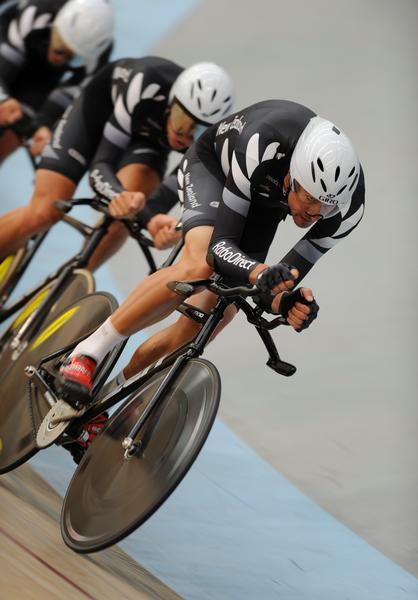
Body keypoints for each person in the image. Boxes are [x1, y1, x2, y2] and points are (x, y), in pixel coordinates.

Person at [58, 99, 365, 457]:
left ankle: (108, 398)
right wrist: (257, 271)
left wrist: (289, 303)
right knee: (199, 267)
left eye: (325, 207)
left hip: (267, 202)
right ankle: (86, 354)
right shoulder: (262, 143)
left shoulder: (347, 210)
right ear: (293, 176)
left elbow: (273, 287)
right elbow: (220, 248)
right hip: (218, 169)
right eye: (310, 199)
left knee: (216, 312)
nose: (315, 213)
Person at [0, 57, 234, 266]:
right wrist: (118, 196)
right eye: (182, 120)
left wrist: (153, 221)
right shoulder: (146, 83)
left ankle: (67, 288)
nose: (185, 135)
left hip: (148, 140)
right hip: (99, 114)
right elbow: (101, 167)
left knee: (124, 217)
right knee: (44, 211)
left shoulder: (210, 143)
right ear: (171, 102)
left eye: (198, 130)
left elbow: (159, 203)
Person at [0, 0, 114, 164]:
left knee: (15, 132)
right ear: (56, 27)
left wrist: (42, 127)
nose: (60, 59)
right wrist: (3, 98)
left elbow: (63, 98)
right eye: (60, 50)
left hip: (42, 76)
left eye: (72, 57)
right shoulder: (38, 12)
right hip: (10, 43)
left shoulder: (98, 53)